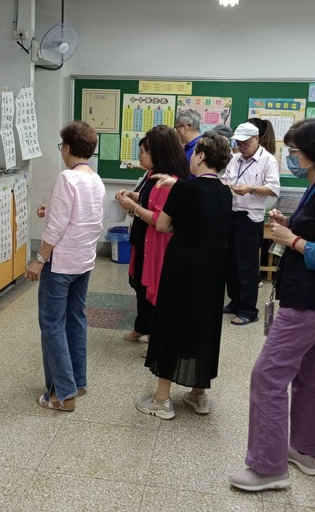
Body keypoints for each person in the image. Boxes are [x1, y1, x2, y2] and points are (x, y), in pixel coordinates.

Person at [229, 119, 315, 492]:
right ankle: (307, 449)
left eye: (295, 150)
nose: (290, 156)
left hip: (309, 300)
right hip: (311, 296)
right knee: (310, 373)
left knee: (268, 374)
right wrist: (291, 227)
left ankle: (267, 467)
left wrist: (293, 241)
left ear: (313, 153)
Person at [134, 132, 233, 420]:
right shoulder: (225, 192)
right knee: (204, 324)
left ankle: (162, 399)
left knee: (171, 323)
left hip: (183, 265)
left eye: (194, 152)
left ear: (201, 156)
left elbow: (163, 225)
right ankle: (198, 393)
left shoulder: (184, 190)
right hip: (213, 268)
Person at [25, 121, 105, 412]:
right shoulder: (95, 180)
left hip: (60, 265)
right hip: (83, 263)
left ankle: (62, 394)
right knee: (75, 320)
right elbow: (82, 217)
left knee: (52, 324)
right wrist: (50, 211)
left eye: (62, 147)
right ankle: (77, 382)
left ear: (68, 148)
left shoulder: (67, 178)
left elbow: (58, 227)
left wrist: (39, 259)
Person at [116, 126, 190, 346]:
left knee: (154, 290)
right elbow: (148, 198)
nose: (140, 156)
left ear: (157, 153)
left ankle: (156, 340)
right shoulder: (151, 175)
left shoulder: (169, 181)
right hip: (142, 239)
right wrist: (132, 196)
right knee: (141, 286)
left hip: (157, 244)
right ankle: (142, 327)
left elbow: (159, 220)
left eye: (143, 152)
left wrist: (133, 207)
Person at [222, 122, 281, 325]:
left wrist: (251, 189)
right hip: (231, 215)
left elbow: (273, 188)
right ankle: (235, 302)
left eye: (245, 142)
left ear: (257, 139)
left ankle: (248, 310)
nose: (241, 146)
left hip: (250, 218)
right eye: (238, 143)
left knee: (246, 266)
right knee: (231, 264)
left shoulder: (267, 160)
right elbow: (226, 178)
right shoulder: (235, 159)